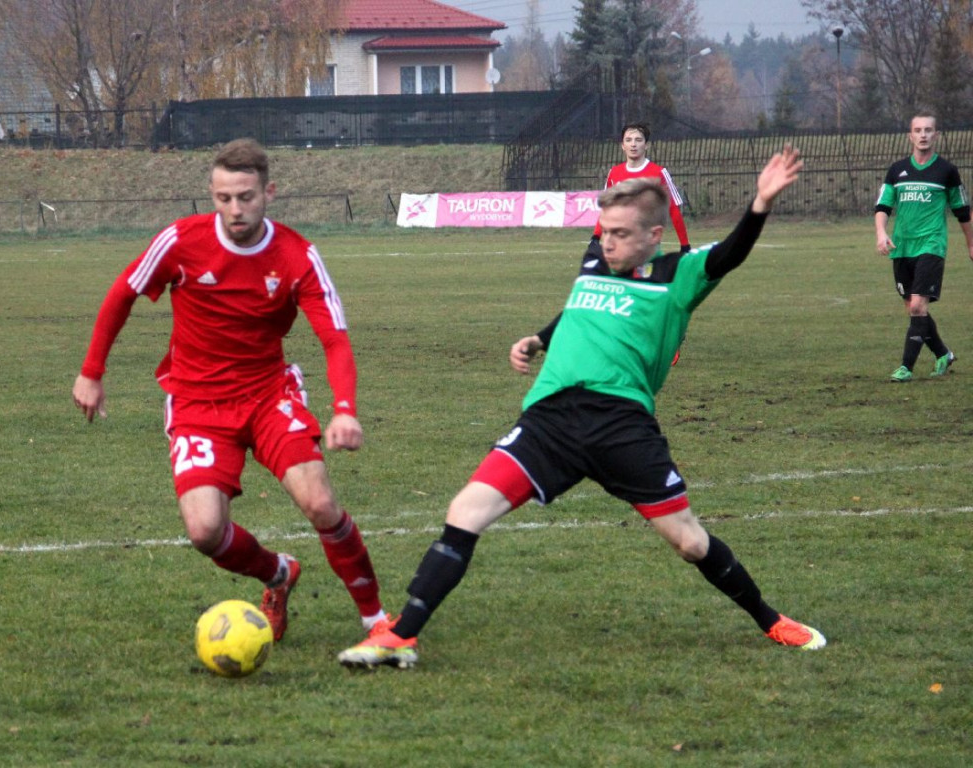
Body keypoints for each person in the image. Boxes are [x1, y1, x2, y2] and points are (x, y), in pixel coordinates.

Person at [338, 145, 826, 670]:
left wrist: (759, 205)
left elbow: (732, 252)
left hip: (622, 428)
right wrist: (538, 338)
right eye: (603, 230)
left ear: (652, 236)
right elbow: (579, 308)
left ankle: (770, 619)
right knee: (465, 512)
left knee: (688, 541)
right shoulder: (594, 260)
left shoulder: (678, 276)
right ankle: (401, 638)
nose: (606, 241)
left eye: (619, 233)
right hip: (549, 423)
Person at [73, 138, 388, 644]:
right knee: (204, 532)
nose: (234, 209)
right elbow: (123, 292)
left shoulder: (297, 254)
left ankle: (376, 621)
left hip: (269, 395)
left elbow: (335, 337)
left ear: (269, 193)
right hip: (197, 404)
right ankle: (278, 573)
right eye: (223, 198)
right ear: (211, 196)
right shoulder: (180, 241)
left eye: (245, 196)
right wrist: (92, 371)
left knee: (321, 503)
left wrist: (345, 410)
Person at [875, 112, 973, 382]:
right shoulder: (897, 171)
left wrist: (970, 244)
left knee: (918, 306)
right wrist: (881, 233)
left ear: (936, 135)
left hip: (931, 245)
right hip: (902, 247)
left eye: (928, 130)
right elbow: (883, 206)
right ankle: (943, 353)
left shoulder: (946, 171)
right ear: (910, 135)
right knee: (914, 308)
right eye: (918, 130)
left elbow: (962, 211)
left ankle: (906, 367)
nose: (923, 134)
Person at [589, 122, 691, 257]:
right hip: (620, 244)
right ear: (622, 146)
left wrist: (684, 245)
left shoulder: (659, 173)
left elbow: (673, 209)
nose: (633, 144)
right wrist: (596, 237)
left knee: (647, 277)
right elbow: (607, 209)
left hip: (648, 245)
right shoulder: (614, 173)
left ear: (646, 145)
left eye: (638, 140)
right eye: (628, 140)